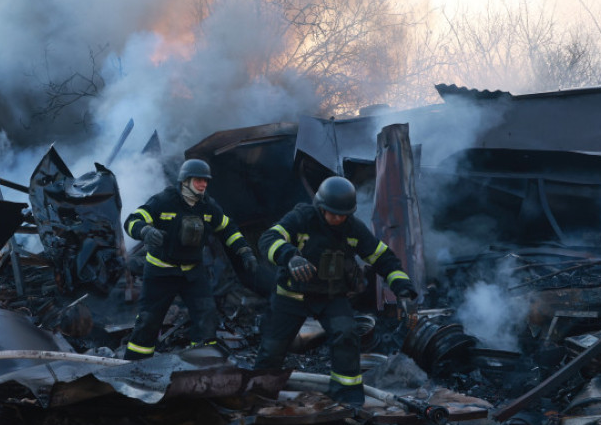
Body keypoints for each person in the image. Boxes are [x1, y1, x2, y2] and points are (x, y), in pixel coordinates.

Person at [254, 175, 417, 407]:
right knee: (273, 346)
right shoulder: (301, 218)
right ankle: (259, 395)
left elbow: (383, 258)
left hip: (331, 297)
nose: (338, 218)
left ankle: (347, 400)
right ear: (320, 206)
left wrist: (403, 290)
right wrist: (289, 256)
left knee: (346, 334)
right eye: (333, 213)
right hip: (292, 295)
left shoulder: (353, 229)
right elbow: (268, 238)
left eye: (343, 214)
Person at [123, 158, 259, 360]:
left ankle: (202, 362)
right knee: (148, 320)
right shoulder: (163, 201)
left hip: (193, 273)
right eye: (198, 180)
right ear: (184, 181)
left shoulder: (208, 207)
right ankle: (135, 365)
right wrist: (145, 231)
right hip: (161, 273)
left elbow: (228, 229)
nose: (203, 185)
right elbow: (132, 221)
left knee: (206, 316)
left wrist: (245, 251)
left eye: (206, 181)